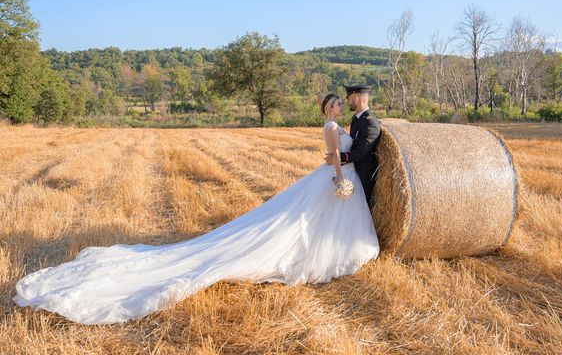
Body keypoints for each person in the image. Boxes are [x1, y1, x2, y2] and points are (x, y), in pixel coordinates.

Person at [12, 94, 380, 325]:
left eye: (340, 102)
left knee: (301, 218)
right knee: (299, 220)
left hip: (337, 173)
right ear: (327, 109)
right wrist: (338, 178)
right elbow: (334, 157)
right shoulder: (333, 125)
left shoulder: (340, 123)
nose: (339, 104)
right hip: (335, 175)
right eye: (334, 103)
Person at [325, 85, 381, 207]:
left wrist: (337, 157)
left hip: (363, 177)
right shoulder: (356, 119)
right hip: (352, 172)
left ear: (356, 99)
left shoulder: (370, 122)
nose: (347, 102)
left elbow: (361, 152)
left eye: (349, 98)